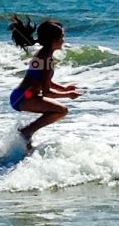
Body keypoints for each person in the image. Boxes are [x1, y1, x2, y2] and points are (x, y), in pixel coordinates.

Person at [7, 15, 80, 150]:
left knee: (58, 111)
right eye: (62, 37)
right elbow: (46, 92)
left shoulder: (43, 55)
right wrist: (68, 95)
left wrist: (64, 89)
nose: (64, 40)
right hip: (24, 97)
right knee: (61, 111)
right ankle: (26, 131)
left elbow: (45, 81)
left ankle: (25, 140)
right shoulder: (46, 59)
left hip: (20, 96)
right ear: (54, 39)